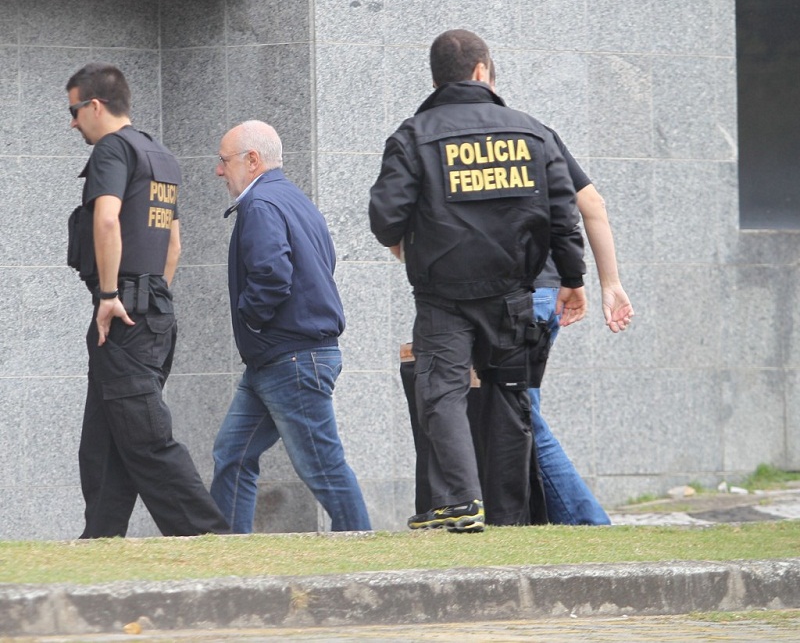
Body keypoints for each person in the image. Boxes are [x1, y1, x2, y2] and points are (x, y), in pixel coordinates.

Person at [369, 29, 588, 532]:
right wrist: (573, 278)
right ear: (482, 72)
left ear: (436, 77)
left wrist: (408, 236)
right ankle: (509, 518)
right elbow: (563, 215)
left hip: (443, 295)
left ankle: (460, 502)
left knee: (442, 392)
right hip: (515, 292)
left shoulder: (413, 136)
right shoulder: (532, 133)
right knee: (510, 396)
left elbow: (385, 219)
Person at [66, 63, 229, 538]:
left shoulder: (112, 150)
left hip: (124, 314)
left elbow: (108, 221)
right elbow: (174, 245)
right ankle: (100, 537)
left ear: (95, 105)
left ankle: (208, 538)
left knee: (146, 439)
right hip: (152, 311)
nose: (72, 122)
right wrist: (151, 296)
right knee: (103, 440)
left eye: (75, 110)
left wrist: (114, 295)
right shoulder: (158, 154)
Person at [489, 61, 635, 525]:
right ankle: (537, 521)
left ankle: (589, 523)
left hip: (515, 296)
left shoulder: (457, 143)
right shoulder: (537, 134)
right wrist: (610, 283)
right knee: (522, 409)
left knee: (521, 416)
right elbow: (593, 203)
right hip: (549, 293)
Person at [209, 120, 371, 534]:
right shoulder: (295, 200)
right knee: (233, 453)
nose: (219, 171)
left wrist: (252, 318)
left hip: (290, 358)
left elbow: (271, 276)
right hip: (281, 358)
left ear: (252, 160)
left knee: (324, 469)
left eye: (224, 161)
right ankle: (225, 557)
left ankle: (366, 558)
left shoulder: (261, 205)